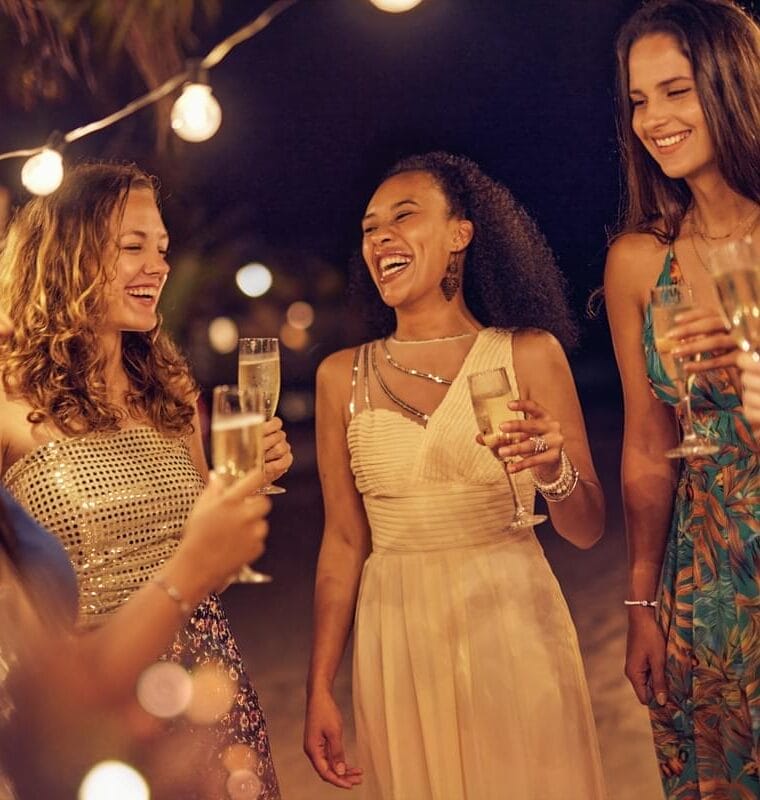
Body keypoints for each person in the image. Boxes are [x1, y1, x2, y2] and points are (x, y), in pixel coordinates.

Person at [304, 151, 606, 799]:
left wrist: (553, 471)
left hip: (511, 622)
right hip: (398, 638)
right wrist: (319, 686)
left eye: (403, 217)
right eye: (368, 228)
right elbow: (343, 544)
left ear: (461, 233)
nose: (379, 237)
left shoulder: (528, 353)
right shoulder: (339, 377)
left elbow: (586, 529)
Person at [0, 162, 293, 799]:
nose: (158, 266)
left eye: (161, 248)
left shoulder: (172, 389)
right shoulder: (7, 398)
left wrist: (245, 488)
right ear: (67, 257)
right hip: (87, 701)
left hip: (210, 686)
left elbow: (203, 557)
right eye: (132, 247)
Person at [604, 1, 760, 796]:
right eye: (638, 100)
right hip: (704, 587)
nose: (653, 120)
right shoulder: (640, 263)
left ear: (733, 84)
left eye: (676, 91)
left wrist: (752, 376)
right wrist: (642, 598)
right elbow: (644, 446)